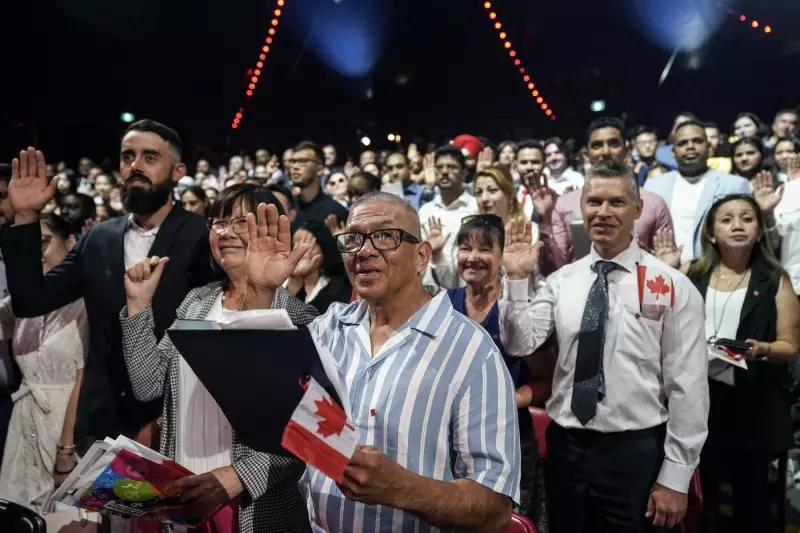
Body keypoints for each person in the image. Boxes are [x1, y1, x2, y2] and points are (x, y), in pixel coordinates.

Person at [280, 191, 518, 532]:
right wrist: (260, 287)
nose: (364, 250)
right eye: (353, 239)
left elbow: (495, 508)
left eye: (385, 236)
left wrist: (403, 489)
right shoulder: (327, 330)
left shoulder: (471, 351)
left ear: (422, 256)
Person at [499, 160, 709, 531]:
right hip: (566, 447)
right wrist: (516, 280)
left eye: (617, 202)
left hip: (635, 452)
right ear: (581, 208)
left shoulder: (671, 285)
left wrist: (676, 477)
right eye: (594, 201)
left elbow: (688, 387)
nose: (603, 212)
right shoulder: (562, 280)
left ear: (637, 209)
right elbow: (519, 343)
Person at [0, 120, 217, 461]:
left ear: (177, 171)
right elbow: (31, 301)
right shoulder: (99, 237)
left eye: (150, 157)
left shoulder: (202, 237)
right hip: (102, 423)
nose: (135, 166)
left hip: (174, 423)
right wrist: (26, 218)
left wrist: (163, 419)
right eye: (128, 157)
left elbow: (209, 342)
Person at [120, 184, 317, 533]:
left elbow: (310, 432)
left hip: (252, 507)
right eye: (218, 223)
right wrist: (138, 306)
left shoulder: (299, 319)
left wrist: (238, 477)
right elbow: (148, 384)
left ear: (272, 230)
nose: (226, 232)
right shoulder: (196, 302)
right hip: (184, 496)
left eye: (241, 222)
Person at [657, 194, 800, 532]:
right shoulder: (692, 273)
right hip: (698, 402)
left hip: (754, 406)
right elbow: (658, 321)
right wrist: (668, 269)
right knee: (703, 499)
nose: (737, 225)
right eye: (727, 219)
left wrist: (762, 349)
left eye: (747, 218)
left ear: (759, 230)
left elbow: (791, 345)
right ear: (710, 233)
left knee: (752, 503)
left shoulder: (774, 279)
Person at [446, 213, 548, 530]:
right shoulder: (443, 304)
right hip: (449, 439)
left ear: (502, 256)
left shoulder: (517, 306)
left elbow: (546, 378)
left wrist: (512, 399)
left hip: (508, 437)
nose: (472, 257)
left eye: (484, 249)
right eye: (465, 248)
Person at [0, 214, 88, 511]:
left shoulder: (87, 302)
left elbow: (82, 376)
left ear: (71, 243)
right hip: (23, 421)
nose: (35, 253)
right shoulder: (22, 303)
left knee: (61, 518)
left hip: (67, 426)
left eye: (43, 242)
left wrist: (65, 448)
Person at [540, 117, 673, 275]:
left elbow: (667, 263)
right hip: (578, 289)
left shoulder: (653, 203)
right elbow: (554, 268)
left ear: (627, 148)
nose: (605, 152)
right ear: (587, 153)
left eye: (613, 143)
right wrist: (545, 221)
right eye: (597, 145)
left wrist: (650, 258)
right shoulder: (565, 205)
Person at [644, 119, 751, 264]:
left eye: (697, 141)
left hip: (718, 270)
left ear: (709, 147)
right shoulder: (653, 186)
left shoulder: (734, 185)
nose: (690, 147)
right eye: (683, 143)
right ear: (673, 152)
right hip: (665, 271)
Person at [418, 146, 478, 288]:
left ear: (464, 172)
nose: (444, 172)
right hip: (429, 290)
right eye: (439, 167)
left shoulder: (476, 208)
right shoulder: (425, 211)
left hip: (466, 289)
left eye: (452, 167)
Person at [286, 220, 352, 314]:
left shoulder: (340, 286)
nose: (300, 252)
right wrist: (295, 280)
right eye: (295, 245)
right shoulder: (280, 284)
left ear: (324, 248)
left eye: (307, 245)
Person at [291, 141, 349, 226]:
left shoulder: (335, 211)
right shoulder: (288, 207)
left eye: (303, 161)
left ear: (320, 170)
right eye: (293, 161)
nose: (295, 167)